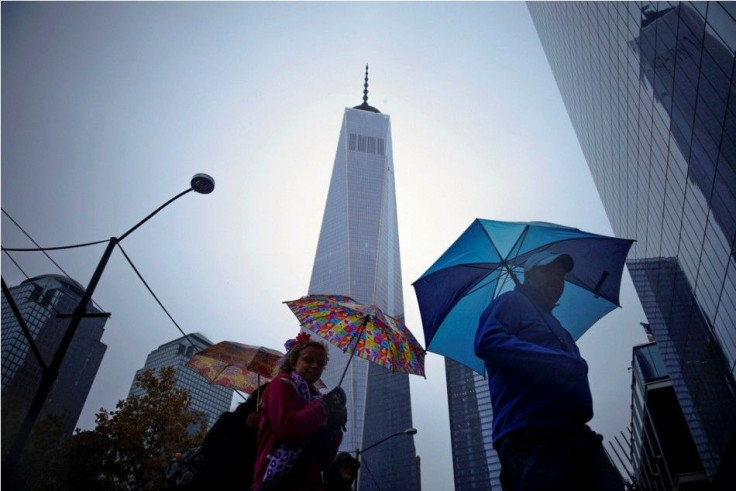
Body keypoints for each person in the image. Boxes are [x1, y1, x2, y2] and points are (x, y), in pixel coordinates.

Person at [474, 251, 624, 491]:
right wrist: (558, 361)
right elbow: (487, 341)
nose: (556, 278)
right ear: (530, 276)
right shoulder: (511, 302)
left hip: (576, 433)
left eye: (561, 274)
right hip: (532, 435)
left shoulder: (557, 326)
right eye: (548, 271)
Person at [252, 332, 347, 491]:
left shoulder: (316, 399)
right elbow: (288, 430)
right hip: (276, 483)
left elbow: (323, 462)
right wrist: (323, 406)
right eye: (308, 360)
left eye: (321, 363)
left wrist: (334, 429)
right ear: (294, 361)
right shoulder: (281, 385)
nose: (315, 366)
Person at [194, 382, 268, 489]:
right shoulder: (229, 419)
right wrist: (246, 428)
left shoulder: (268, 433)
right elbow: (209, 448)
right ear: (259, 397)